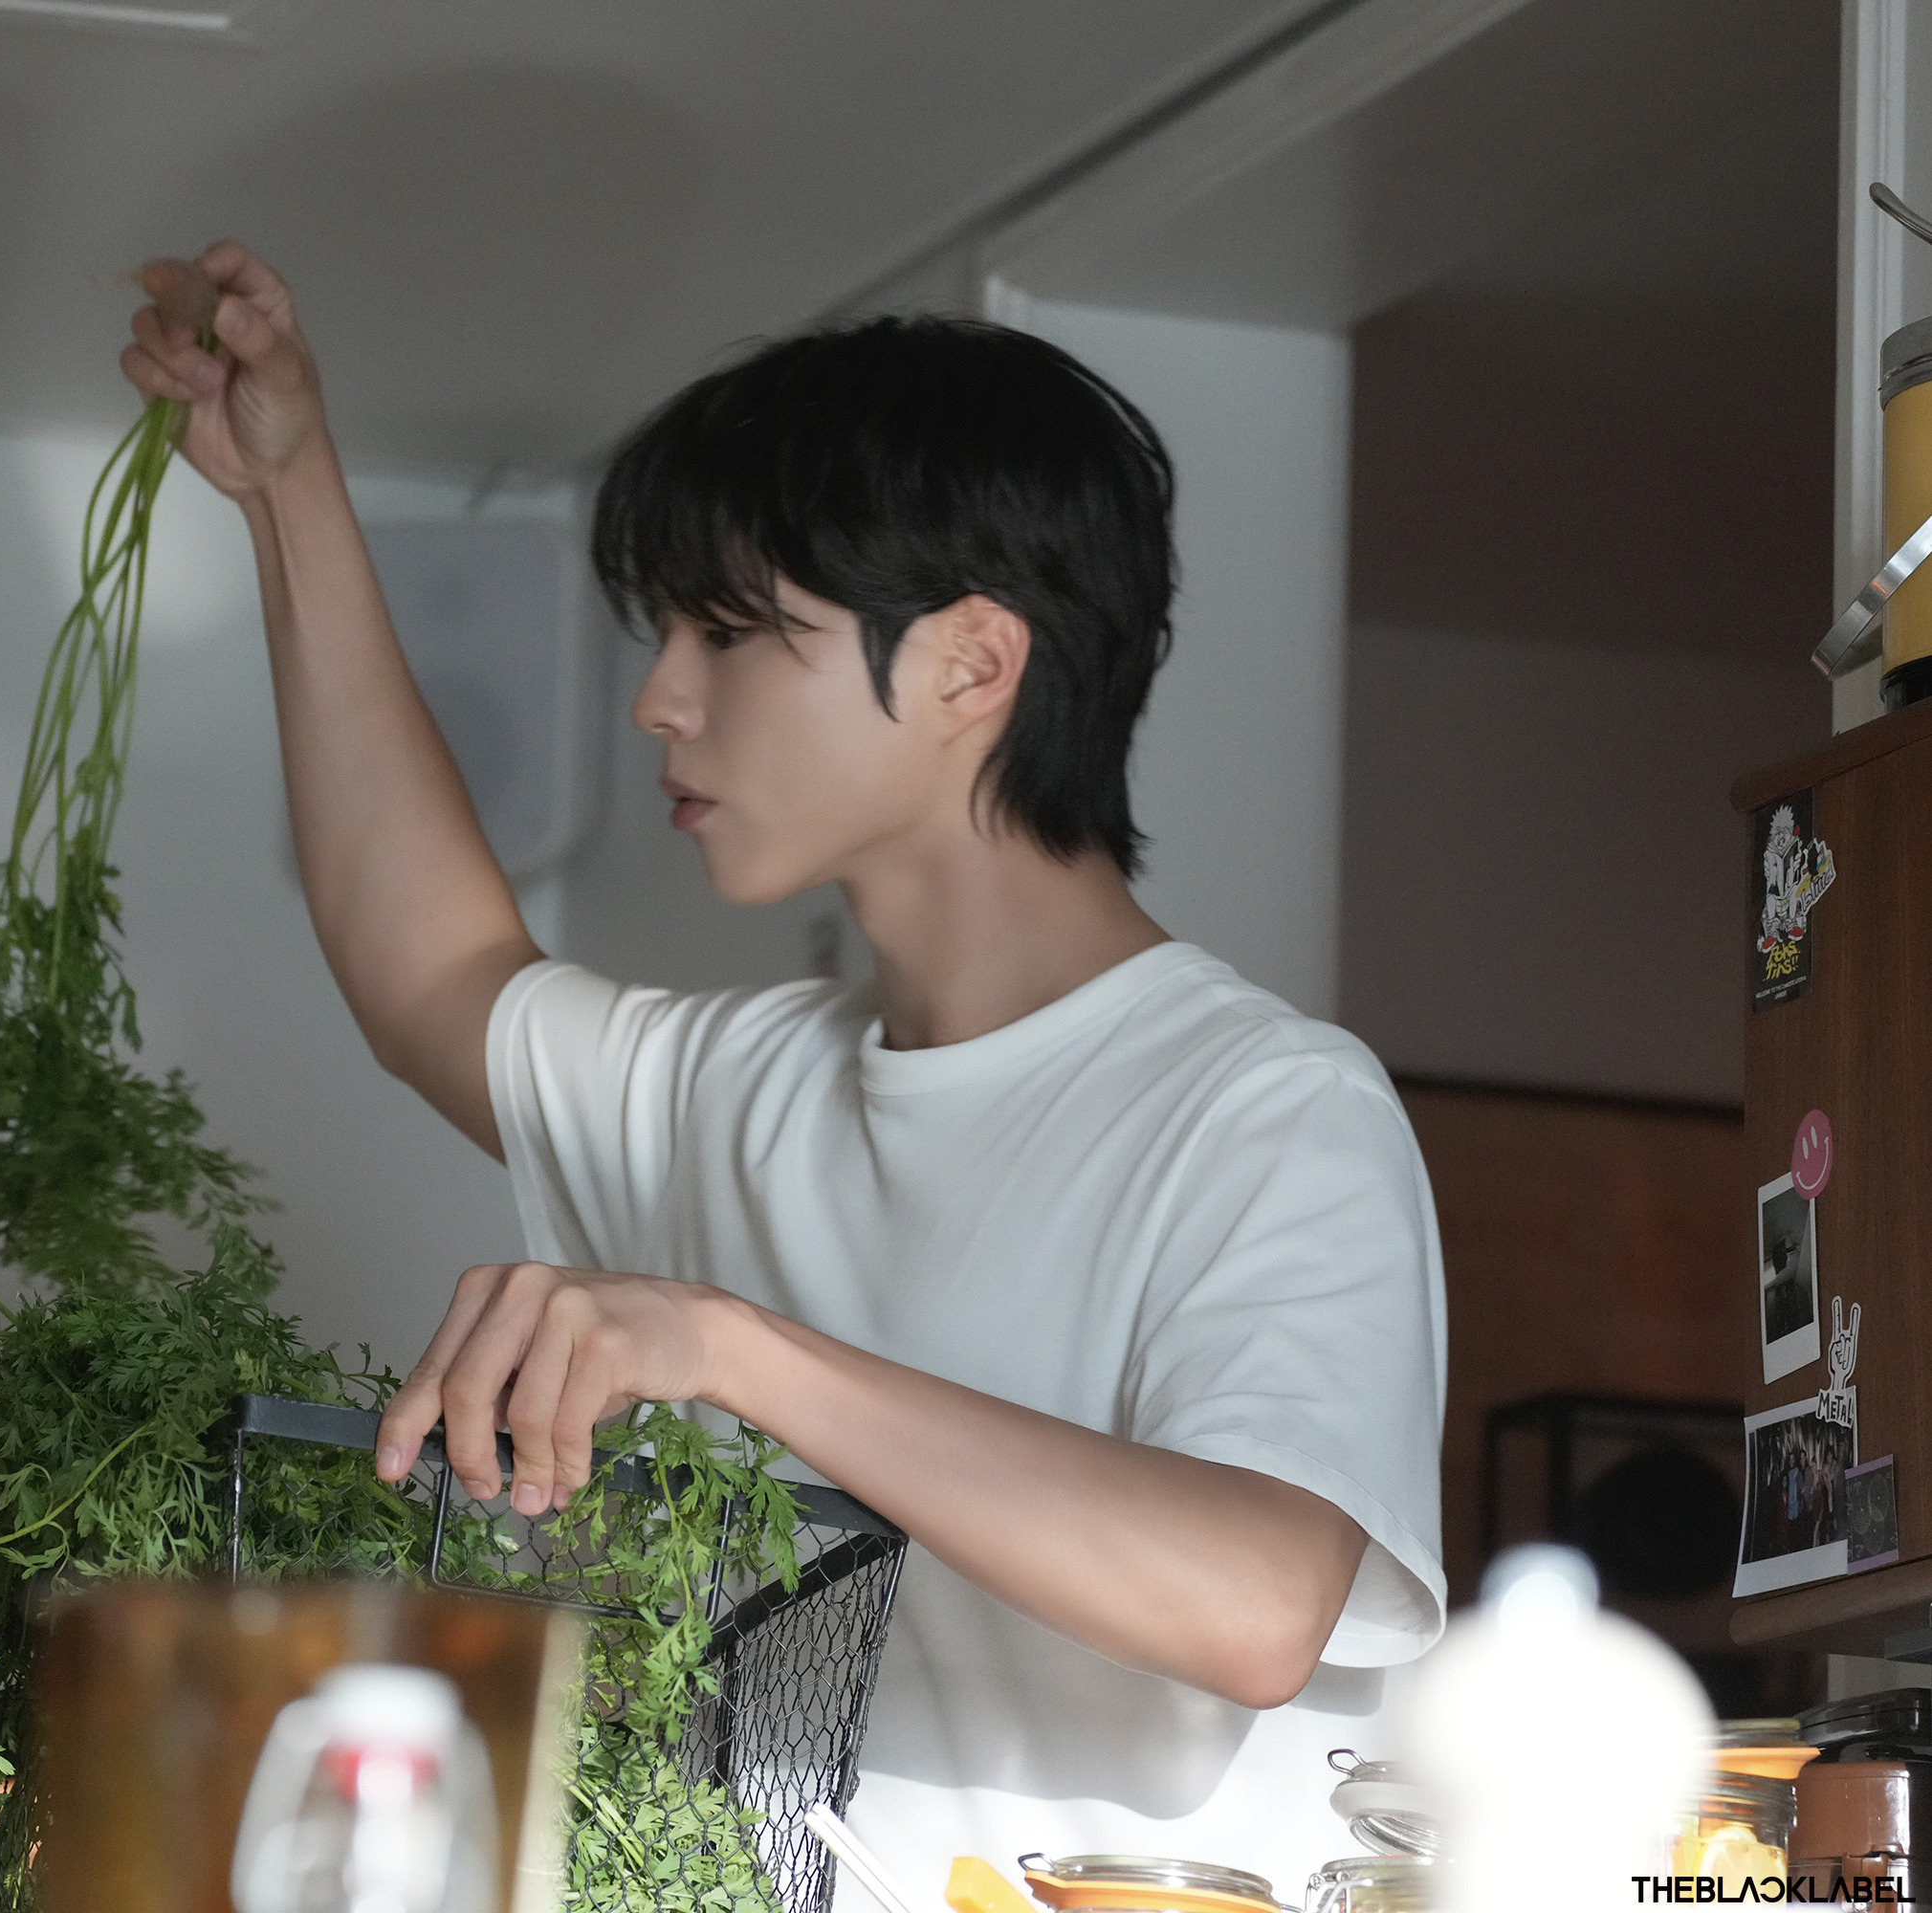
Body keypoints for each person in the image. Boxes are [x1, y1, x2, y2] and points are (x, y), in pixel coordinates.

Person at [120, 242, 1446, 1895]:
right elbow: (429, 976)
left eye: (731, 632)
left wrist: (734, 1347)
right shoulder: (731, 1088)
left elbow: (1256, 1604)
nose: (658, 701)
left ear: (970, 664)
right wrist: (287, 488)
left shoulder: (1263, 1108)